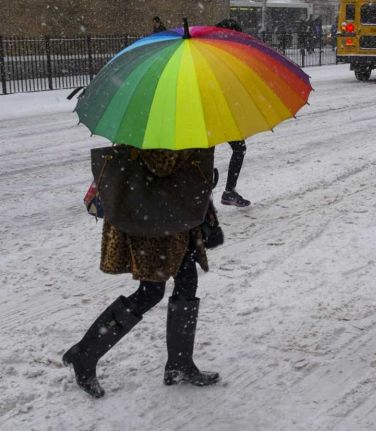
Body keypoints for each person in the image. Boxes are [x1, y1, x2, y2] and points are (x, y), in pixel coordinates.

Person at [63, 148, 220, 398]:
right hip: (155, 225)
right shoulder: (158, 126)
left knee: (187, 283)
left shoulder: (180, 123)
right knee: (150, 293)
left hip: (177, 220)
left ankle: (179, 363)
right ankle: (84, 353)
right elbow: (162, 164)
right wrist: (194, 161)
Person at [215, 19, 252, 207]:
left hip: (219, 110)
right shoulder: (221, 53)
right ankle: (225, 192)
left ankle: (223, 193)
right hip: (215, 110)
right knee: (207, 152)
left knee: (237, 148)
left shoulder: (216, 50)